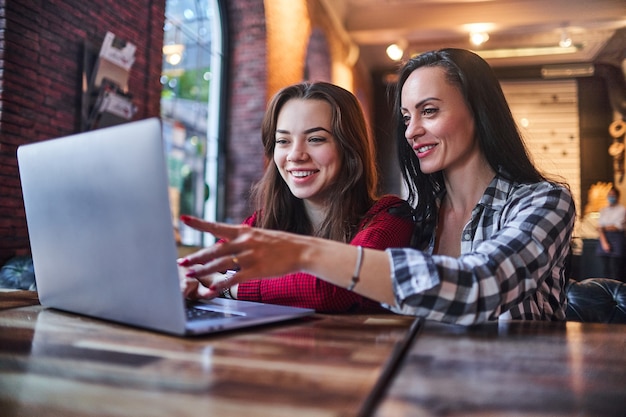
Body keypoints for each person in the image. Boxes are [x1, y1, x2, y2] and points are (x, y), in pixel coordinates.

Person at [178, 48, 576, 324]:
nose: (412, 131)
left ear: (479, 111)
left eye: (429, 111)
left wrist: (294, 255)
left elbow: (478, 286)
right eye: (406, 117)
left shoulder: (543, 202)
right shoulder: (419, 214)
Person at [180, 81, 416, 313]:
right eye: (283, 141)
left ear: (350, 148)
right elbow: (205, 268)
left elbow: (335, 288)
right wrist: (183, 274)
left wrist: (231, 287)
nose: (295, 155)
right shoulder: (263, 223)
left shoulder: (390, 217)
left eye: (315, 139)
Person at [596, 186, 626, 281]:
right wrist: (604, 242)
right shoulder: (603, 210)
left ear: (618, 196)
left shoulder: (622, 210)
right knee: (605, 272)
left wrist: (604, 228)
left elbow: (617, 227)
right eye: (610, 195)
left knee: (616, 272)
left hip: (617, 241)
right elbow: (599, 227)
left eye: (613, 195)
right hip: (604, 240)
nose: (611, 197)